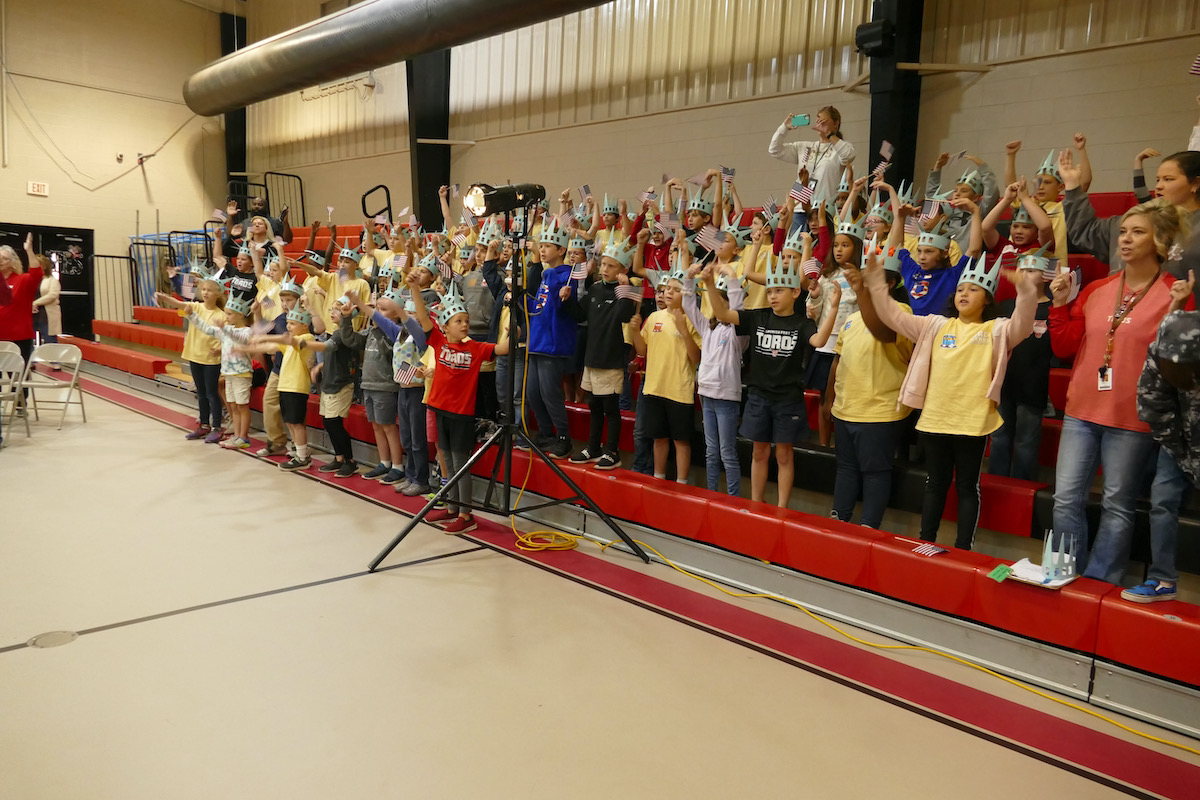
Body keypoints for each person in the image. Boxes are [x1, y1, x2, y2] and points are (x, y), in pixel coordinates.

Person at [1048, 198, 1191, 579]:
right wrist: (1059, 305)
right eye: (1123, 232)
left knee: (1117, 503)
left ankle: (1100, 580)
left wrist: (1178, 314)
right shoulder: (1098, 288)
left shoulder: (1175, 293)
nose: (1125, 239)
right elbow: (1064, 346)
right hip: (1081, 410)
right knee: (1065, 498)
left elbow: (1179, 364)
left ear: (1160, 241)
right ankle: (1064, 573)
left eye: (1137, 232)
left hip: (1132, 417)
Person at [864, 250, 1040, 550]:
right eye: (960, 289)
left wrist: (1026, 291)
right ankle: (926, 541)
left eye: (973, 290)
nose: (964, 294)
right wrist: (876, 285)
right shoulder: (935, 326)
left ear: (987, 300)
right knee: (935, 483)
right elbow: (894, 316)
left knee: (967, 486)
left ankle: (963, 548)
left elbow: (1023, 325)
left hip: (973, 422)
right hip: (936, 418)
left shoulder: (996, 329)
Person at [405, 270, 510, 534]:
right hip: (439, 410)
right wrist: (415, 289)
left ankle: (466, 515)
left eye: (466, 320)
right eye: (458, 321)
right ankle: (452, 506)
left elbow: (502, 349)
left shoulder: (475, 347)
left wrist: (511, 332)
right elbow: (422, 317)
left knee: (461, 464)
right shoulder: (438, 341)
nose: (464, 325)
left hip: (461, 415)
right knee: (448, 463)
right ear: (445, 326)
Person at [708, 251, 813, 508]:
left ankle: (782, 507)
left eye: (779, 291)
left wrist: (830, 306)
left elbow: (818, 341)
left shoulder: (802, 323)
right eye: (770, 291)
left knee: (784, 455)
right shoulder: (758, 317)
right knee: (759, 451)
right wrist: (709, 284)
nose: (773, 296)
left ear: (795, 292)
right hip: (759, 396)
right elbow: (723, 314)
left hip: (788, 398)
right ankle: (756, 503)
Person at [827, 246, 913, 528]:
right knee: (846, 469)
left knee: (875, 472)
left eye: (873, 276)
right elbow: (838, 361)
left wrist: (862, 293)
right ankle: (839, 521)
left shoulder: (901, 312)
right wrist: (829, 400)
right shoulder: (852, 319)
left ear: (891, 283)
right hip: (846, 408)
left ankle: (869, 528)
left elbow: (884, 333)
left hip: (880, 411)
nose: (865, 280)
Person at [1133, 307, 1200, 603]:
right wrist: (1183, 454)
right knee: (1162, 500)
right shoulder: (1160, 352)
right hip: (1177, 440)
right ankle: (1162, 580)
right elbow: (1154, 407)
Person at [563, 239, 639, 470]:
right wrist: (567, 300)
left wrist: (624, 289)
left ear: (623, 270)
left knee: (610, 408)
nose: (605, 269)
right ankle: (593, 447)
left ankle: (612, 452)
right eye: (604, 264)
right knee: (594, 405)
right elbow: (580, 315)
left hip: (611, 359)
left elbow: (625, 316)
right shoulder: (595, 288)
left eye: (611, 266)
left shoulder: (629, 292)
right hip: (592, 357)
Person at [629, 266, 702, 484]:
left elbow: (696, 357)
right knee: (659, 438)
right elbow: (643, 351)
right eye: (667, 288)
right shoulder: (654, 317)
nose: (669, 292)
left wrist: (684, 329)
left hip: (679, 391)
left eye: (676, 290)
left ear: (687, 294)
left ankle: (682, 484)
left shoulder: (693, 319)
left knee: (681, 442)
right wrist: (634, 331)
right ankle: (658, 479)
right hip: (654, 388)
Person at [683, 258, 747, 495]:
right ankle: (711, 494)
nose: (716, 306)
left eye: (722, 301)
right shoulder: (708, 328)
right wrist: (688, 278)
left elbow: (738, 309)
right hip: (706, 394)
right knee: (711, 451)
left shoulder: (738, 333)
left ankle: (733, 499)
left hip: (726, 397)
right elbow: (689, 305)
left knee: (727, 452)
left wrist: (732, 276)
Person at [523, 216, 577, 458]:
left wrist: (551, 276)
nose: (542, 250)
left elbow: (563, 306)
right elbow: (539, 306)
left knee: (550, 394)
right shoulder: (547, 275)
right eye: (541, 245)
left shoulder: (566, 275)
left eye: (547, 246)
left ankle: (564, 437)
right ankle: (546, 433)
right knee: (533, 393)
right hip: (537, 341)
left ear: (561, 250)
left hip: (552, 344)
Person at [154, 279, 226, 442]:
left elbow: (224, 337)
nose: (205, 292)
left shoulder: (221, 315)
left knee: (211, 393)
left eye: (209, 290)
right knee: (201, 393)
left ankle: (217, 427)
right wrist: (164, 298)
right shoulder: (196, 307)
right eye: (204, 289)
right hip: (195, 355)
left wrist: (219, 350)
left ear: (218, 294)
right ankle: (204, 425)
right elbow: (178, 304)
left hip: (211, 359)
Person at [184, 295, 257, 449]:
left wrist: (224, 328)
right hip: (228, 374)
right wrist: (192, 315)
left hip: (241, 374)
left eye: (229, 314)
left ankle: (244, 437)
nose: (226, 316)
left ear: (240, 315)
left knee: (242, 406)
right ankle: (237, 435)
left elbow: (241, 339)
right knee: (233, 407)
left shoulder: (247, 331)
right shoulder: (227, 329)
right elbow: (207, 329)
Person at [305, 298, 366, 478]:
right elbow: (336, 356)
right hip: (330, 382)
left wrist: (304, 344)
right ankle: (339, 457)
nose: (332, 312)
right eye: (332, 309)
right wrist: (320, 366)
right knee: (328, 422)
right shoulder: (336, 334)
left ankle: (350, 461)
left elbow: (329, 347)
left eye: (337, 310)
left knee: (334, 423)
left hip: (340, 384)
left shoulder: (343, 336)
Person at [768, 106, 855, 214]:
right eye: (818, 121)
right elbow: (774, 150)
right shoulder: (805, 147)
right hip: (799, 207)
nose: (820, 124)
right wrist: (784, 128)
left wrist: (830, 134)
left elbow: (848, 155)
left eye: (824, 122)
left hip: (824, 208)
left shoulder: (840, 148)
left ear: (836, 123)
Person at [0, 236, 46, 368]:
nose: (0, 261)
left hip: (18, 337)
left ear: (13, 262)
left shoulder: (23, 280)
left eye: (4, 258)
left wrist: (29, 251)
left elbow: (36, 274)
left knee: (18, 376)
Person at [32, 256, 61, 345]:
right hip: (31, 314)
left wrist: (35, 303)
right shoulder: (30, 279)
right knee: (29, 341)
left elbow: (52, 295)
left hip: (46, 315)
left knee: (49, 341)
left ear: (44, 266)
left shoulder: (52, 280)